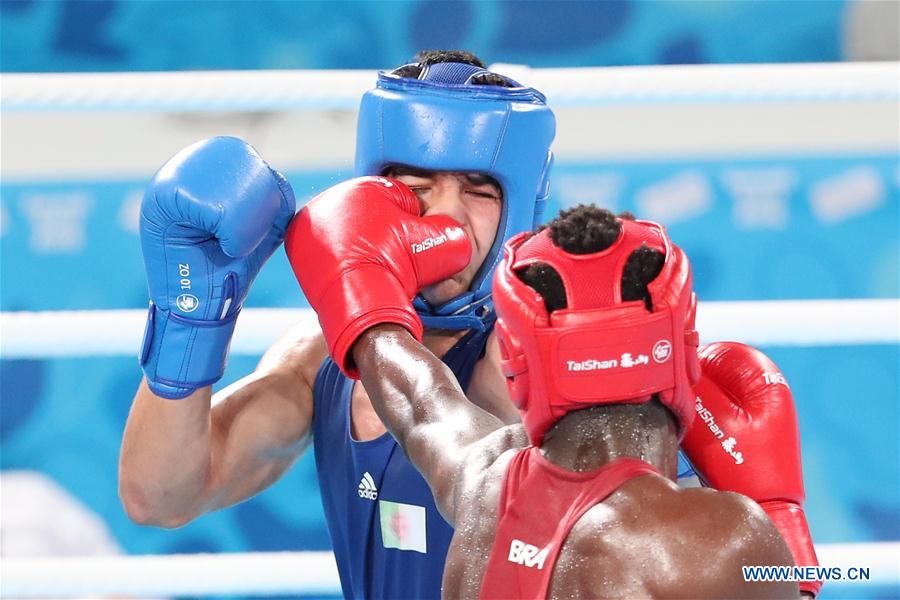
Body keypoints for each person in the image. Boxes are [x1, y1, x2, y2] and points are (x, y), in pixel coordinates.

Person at [121, 50, 819, 598]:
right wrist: (193, 318)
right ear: (370, 197)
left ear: (519, 208)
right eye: (416, 189)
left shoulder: (549, 375)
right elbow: (159, 496)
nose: (445, 218)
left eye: (478, 192)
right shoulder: (316, 361)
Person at [292, 201, 799, 598]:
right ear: (681, 343)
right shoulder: (721, 540)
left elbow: (415, 392)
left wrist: (355, 282)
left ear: (517, 360)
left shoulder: (479, 480)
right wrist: (781, 525)